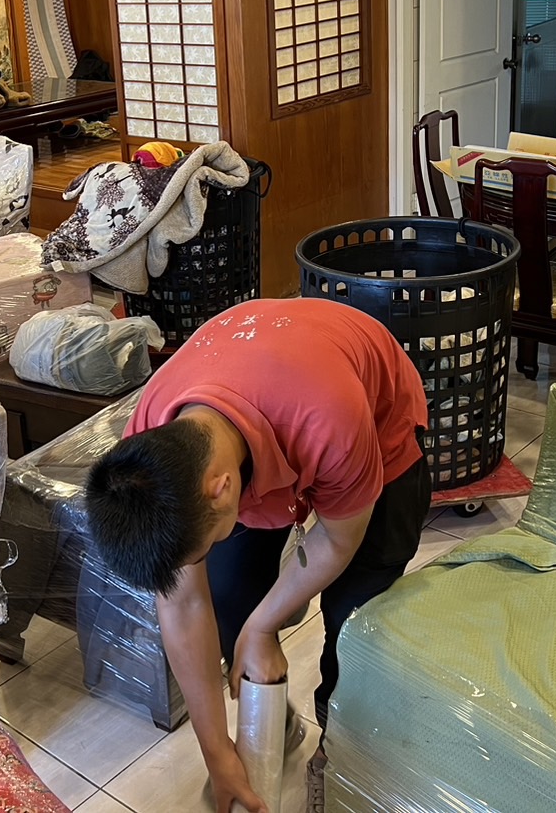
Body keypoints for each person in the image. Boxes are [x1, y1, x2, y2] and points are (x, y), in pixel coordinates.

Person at [86, 297, 431, 813]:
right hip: (264, 394)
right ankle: (270, 719)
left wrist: (265, 626)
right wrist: (217, 752)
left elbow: (339, 539)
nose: (201, 556)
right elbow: (183, 604)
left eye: (204, 543)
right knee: (227, 596)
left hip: (369, 419)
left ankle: (337, 749)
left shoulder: (326, 419)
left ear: (222, 489)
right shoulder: (148, 450)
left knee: (354, 621)